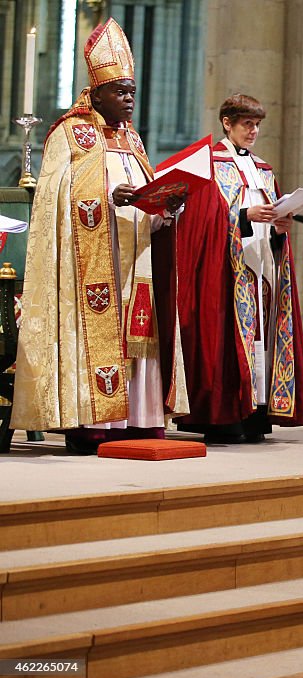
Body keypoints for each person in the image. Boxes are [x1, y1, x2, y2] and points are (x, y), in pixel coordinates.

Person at [12, 18, 189, 453]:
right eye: (120, 91)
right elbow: (55, 200)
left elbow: (146, 193)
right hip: (96, 262)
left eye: (132, 91)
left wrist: (164, 208)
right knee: (103, 331)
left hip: (139, 258)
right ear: (96, 92)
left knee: (141, 333)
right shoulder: (71, 134)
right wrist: (110, 198)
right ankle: (94, 423)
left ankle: (140, 420)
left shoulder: (133, 139)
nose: (129, 99)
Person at [174, 93, 303, 442]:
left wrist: (281, 228)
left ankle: (256, 415)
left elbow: (272, 211)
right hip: (226, 269)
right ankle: (226, 418)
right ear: (227, 123)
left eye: (257, 126)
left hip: (263, 265)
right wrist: (243, 217)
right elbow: (198, 221)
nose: (253, 132)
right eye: (247, 124)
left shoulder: (263, 169)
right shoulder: (208, 164)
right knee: (232, 342)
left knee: (261, 342)